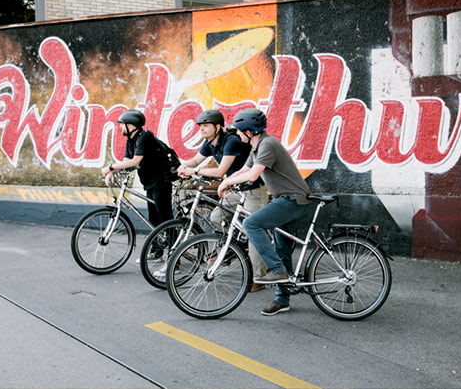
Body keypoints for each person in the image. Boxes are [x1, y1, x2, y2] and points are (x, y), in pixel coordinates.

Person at [217, 108, 312, 316]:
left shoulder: (268, 144)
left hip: (293, 200)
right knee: (282, 248)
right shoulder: (256, 147)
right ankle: (282, 299)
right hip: (284, 199)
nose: (237, 134)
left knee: (251, 224)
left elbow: (252, 176)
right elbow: (244, 170)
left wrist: (226, 183)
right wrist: (228, 182)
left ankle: (276, 270)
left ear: (250, 131)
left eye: (239, 130)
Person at [177, 109, 270, 291]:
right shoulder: (209, 142)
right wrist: (180, 167)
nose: (202, 129)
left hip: (253, 190)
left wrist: (193, 172)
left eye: (205, 126)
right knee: (217, 218)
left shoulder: (231, 141)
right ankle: (233, 248)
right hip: (234, 189)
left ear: (218, 127)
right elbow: (195, 161)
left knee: (253, 231)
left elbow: (220, 172)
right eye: (200, 126)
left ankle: (260, 278)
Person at [101, 109, 174, 228]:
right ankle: (157, 246)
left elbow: (135, 160)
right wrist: (112, 171)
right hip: (150, 183)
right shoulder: (131, 139)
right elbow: (126, 161)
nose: (120, 127)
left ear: (131, 125)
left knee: (165, 219)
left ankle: (175, 245)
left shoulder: (144, 136)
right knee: (154, 219)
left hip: (161, 182)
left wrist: (110, 166)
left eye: (122, 125)